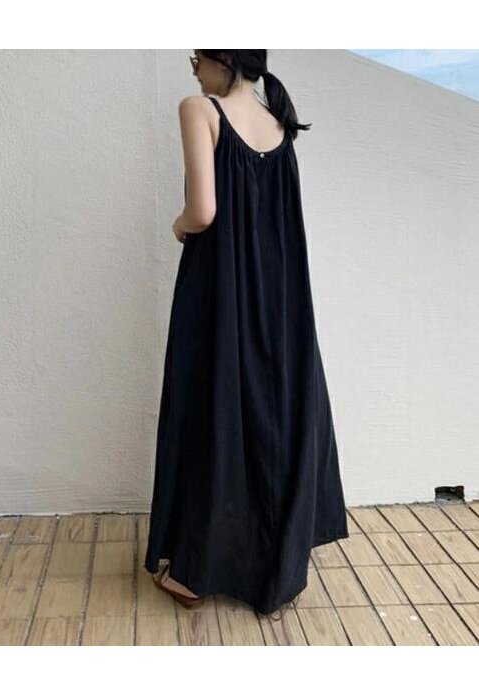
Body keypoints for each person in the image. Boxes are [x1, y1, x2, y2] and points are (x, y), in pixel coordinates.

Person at [144, 49, 349, 621]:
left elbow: (203, 212)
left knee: (211, 410)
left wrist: (177, 226)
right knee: (272, 417)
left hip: (220, 289)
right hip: (282, 297)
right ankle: (277, 562)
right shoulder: (279, 121)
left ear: (223, 58)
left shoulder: (200, 110)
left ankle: (195, 570)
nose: (192, 67)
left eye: (197, 56)